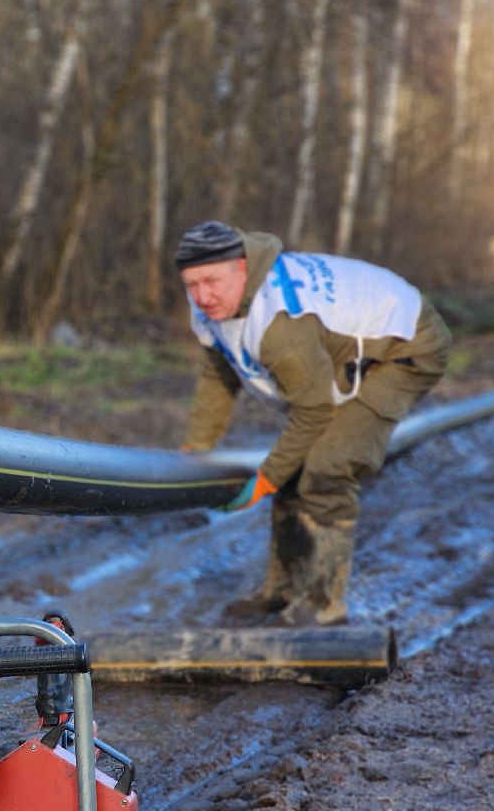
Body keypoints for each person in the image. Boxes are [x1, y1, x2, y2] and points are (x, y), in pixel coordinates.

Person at [175, 221, 452, 626]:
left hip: (405, 345)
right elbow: (218, 375)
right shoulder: (213, 304)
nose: (202, 296)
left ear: (241, 268)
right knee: (295, 468)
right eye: (192, 284)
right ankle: (282, 592)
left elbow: (315, 410)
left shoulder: (279, 323)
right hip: (340, 353)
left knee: (328, 466)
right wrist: (197, 446)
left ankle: (322, 606)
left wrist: (265, 479)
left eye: (212, 281)